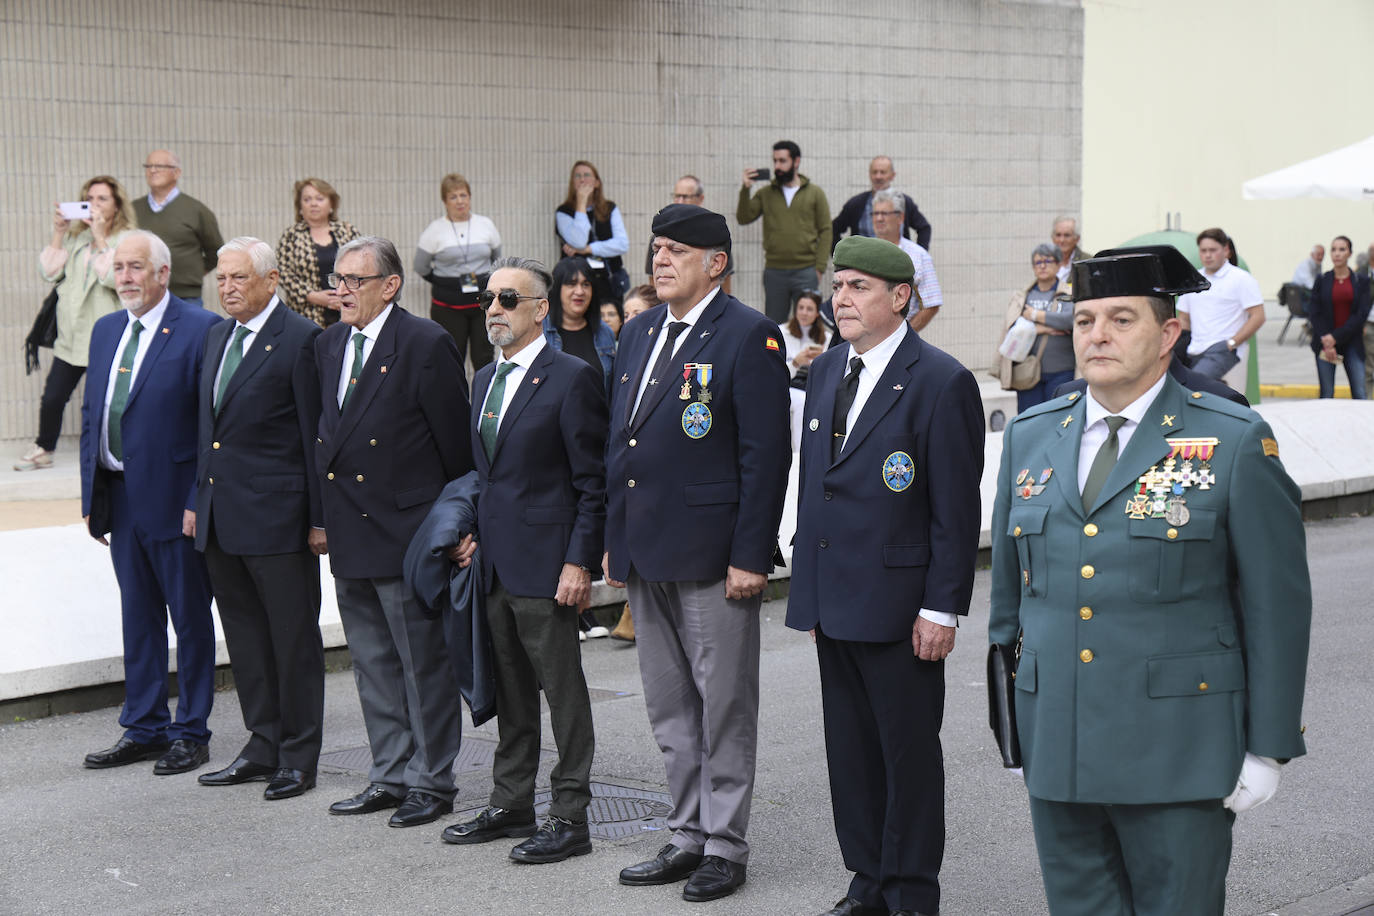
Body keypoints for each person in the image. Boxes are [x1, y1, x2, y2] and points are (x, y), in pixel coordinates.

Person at [988, 245, 1311, 916]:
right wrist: (1012, 729)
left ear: (1169, 335)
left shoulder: (1233, 440)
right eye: (1084, 321)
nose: (1097, 335)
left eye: (1121, 319)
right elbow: (1009, 607)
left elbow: (1276, 608)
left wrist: (1268, 747)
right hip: (1060, 747)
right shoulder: (1031, 436)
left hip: (1178, 752)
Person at [788, 236, 983, 916]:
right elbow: (818, 485)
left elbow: (956, 511)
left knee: (906, 760)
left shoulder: (941, 380)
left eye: (860, 287)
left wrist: (942, 608)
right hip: (835, 598)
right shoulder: (825, 371)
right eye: (839, 285)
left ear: (900, 298)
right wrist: (807, 591)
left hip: (902, 606)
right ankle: (867, 882)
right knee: (851, 756)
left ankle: (909, 893)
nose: (842, 298)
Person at [606, 204, 791, 903]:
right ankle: (685, 832)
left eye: (676, 250)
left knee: (723, 705)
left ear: (716, 262)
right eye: (655, 248)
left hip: (716, 556)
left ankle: (725, 845)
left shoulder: (748, 335)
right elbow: (620, 445)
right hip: (647, 547)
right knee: (669, 704)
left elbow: (765, 456)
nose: (659, 260)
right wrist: (613, 540)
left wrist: (751, 554)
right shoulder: (641, 329)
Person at [441, 257, 607, 864]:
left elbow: (593, 482)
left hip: (548, 564)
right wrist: (470, 532)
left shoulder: (571, 378)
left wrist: (579, 562)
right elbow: (486, 477)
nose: (493, 309)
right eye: (489, 299)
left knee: (563, 693)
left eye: (508, 299)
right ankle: (512, 803)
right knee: (511, 691)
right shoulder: (484, 380)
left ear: (541, 309)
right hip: (494, 564)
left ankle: (570, 815)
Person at [314, 237, 472, 828]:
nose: (344, 291)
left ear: (390, 285)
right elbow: (323, 437)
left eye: (356, 280)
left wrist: (458, 524)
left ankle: (432, 782)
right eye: (339, 280)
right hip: (350, 527)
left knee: (422, 664)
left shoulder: (425, 342)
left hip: (408, 531)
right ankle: (389, 773)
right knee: (372, 663)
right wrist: (320, 519)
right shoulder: (328, 344)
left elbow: (456, 449)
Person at [78, 230, 220, 776]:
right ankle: (144, 727)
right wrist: (92, 496)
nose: (127, 277)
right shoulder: (105, 329)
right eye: (120, 268)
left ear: (163, 272)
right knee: (137, 616)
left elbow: (210, 425)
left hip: (173, 499)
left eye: (137, 267)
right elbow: (93, 414)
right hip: (120, 496)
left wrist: (195, 498)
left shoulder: (200, 328)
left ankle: (192, 731)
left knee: (189, 618)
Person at [194, 238, 325, 801]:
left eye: (239, 278)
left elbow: (314, 438)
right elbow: (209, 431)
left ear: (272, 280)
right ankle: (261, 742)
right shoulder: (217, 335)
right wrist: (197, 501)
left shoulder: (301, 340)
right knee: (245, 637)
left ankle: (298, 755)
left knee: (292, 640)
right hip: (221, 516)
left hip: (279, 517)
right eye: (221, 279)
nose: (227, 288)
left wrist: (319, 520)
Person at [16, 176, 135, 472]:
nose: (94, 205)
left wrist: (101, 238)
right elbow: (48, 272)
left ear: (117, 205)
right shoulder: (75, 237)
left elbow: (114, 279)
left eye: (102, 199)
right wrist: (59, 233)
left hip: (106, 335)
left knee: (106, 400)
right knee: (53, 396)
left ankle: (113, 453)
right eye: (89, 199)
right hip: (71, 334)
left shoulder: (128, 239)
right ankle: (44, 448)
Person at [737, 140, 833, 323]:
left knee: (808, 326)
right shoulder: (766, 193)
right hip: (775, 272)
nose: (777, 166)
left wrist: (819, 268)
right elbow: (744, 217)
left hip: (806, 271)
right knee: (774, 325)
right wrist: (745, 189)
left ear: (796, 162)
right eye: (775, 161)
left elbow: (826, 230)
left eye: (782, 161)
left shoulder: (815, 193)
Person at [415, 173, 502, 370]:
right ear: (445, 201)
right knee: (450, 360)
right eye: (453, 197)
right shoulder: (434, 230)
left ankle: (483, 400)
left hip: (483, 305)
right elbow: (420, 266)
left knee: (484, 358)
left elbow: (497, 260)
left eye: (463, 195)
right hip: (448, 307)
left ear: (470, 197)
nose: (460, 201)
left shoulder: (485, 225)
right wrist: (445, 282)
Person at [131, 150, 223, 307]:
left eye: (159, 166)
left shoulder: (197, 210)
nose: (153, 170)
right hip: (142, 294)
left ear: (177, 172)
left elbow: (216, 251)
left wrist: (192, 274)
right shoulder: (132, 209)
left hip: (186, 297)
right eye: (149, 166)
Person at [1176, 228, 1264, 383]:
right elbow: (1183, 317)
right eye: (1203, 250)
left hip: (1222, 349)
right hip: (1193, 349)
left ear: (1226, 250)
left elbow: (1258, 316)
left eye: (1213, 250)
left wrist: (1232, 343)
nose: (1208, 255)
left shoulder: (1241, 279)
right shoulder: (1193, 279)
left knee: (1193, 386)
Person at [275, 178, 362, 328]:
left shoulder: (347, 232)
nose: (313, 204)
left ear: (331, 205)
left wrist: (345, 296)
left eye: (319, 198)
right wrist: (312, 296)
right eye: (307, 199)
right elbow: (282, 272)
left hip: (347, 310)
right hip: (306, 315)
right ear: (300, 207)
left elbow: (363, 265)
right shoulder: (291, 236)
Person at [1009, 242, 1073, 412]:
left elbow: (1069, 320)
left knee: (1059, 419)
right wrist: (1046, 328)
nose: (1042, 266)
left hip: (1063, 371)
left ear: (1059, 264)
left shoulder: (1067, 294)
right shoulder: (1023, 295)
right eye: (1038, 262)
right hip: (1028, 372)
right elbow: (1014, 329)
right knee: (1030, 421)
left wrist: (1036, 316)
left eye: (1048, 261)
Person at [644, 176, 734, 295]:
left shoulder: (713, 235)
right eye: (677, 196)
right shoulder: (660, 235)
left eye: (676, 250)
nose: (680, 201)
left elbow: (725, 282)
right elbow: (653, 284)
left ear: (700, 198)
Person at [868, 190, 943, 332]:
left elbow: (932, 304)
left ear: (900, 217)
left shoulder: (918, 256)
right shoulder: (863, 252)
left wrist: (904, 336)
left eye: (884, 213)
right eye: (875, 213)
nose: (878, 218)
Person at [555, 161, 630, 302]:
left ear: (596, 182)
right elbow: (579, 240)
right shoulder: (563, 212)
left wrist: (588, 249)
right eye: (577, 176)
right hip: (577, 282)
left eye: (587, 175)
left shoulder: (609, 208)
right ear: (572, 182)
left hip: (608, 279)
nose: (582, 179)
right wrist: (581, 203)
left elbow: (622, 244)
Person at [542, 256, 616, 395]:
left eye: (586, 284)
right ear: (557, 289)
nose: (580, 291)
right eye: (572, 283)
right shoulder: (540, 331)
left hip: (597, 416)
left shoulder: (604, 333)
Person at [1307, 234, 1370, 399]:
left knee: (1360, 393)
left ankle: (1364, 426)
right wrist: (1327, 340)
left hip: (1352, 343)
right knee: (1326, 394)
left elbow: (1360, 315)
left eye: (1342, 249)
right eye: (1333, 250)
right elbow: (1314, 312)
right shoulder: (1322, 280)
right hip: (1326, 345)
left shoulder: (1361, 281)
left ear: (1349, 253)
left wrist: (1335, 337)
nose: (1337, 254)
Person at [831, 155, 933, 250]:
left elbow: (924, 228)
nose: (878, 176)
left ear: (892, 175)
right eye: (874, 172)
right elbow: (833, 229)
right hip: (863, 265)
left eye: (883, 172)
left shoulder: (904, 202)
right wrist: (842, 258)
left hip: (896, 262)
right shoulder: (855, 204)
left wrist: (917, 255)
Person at [780, 289, 829, 379]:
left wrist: (822, 360)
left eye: (809, 309)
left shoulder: (827, 338)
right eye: (801, 308)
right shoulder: (781, 332)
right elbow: (775, 372)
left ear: (817, 313)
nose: (804, 313)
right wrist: (795, 363)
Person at [1052, 217, 1087, 286]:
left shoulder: (1086, 261)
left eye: (1067, 235)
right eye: (1058, 235)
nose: (1061, 240)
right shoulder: (1046, 260)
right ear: (1053, 238)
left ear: (1077, 239)